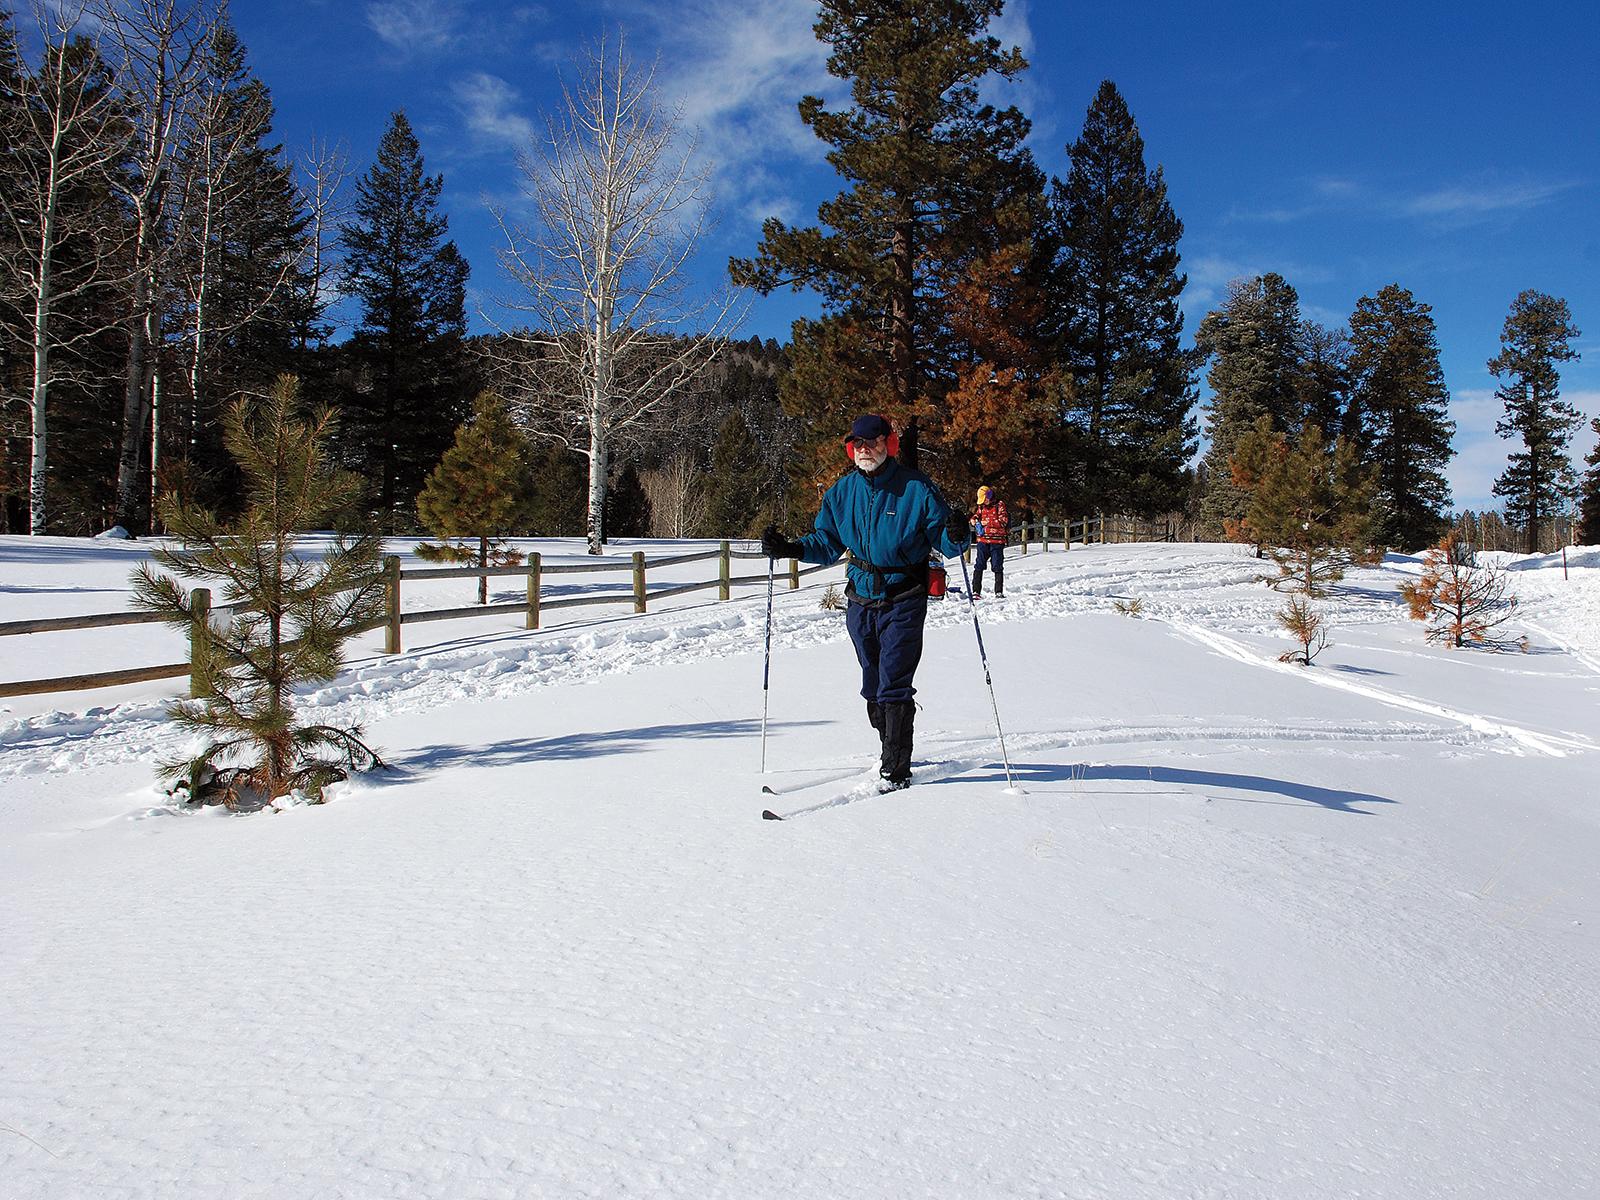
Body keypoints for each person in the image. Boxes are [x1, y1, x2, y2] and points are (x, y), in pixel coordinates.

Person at [762, 414, 970, 791]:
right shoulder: (841, 494)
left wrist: (958, 534)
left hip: (904, 596)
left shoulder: (916, 489)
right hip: (859, 598)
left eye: (872, 442)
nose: (864, 449)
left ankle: (895, 766)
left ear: (888, 444)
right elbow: (825, 542)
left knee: (894, 680)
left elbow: (946, 539)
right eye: (857, 444)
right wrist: (790, 548)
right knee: (872, 685)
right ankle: (888, 740)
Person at [971, 485, 1010, 597]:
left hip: (997, 542)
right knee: (979, 565)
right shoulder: (981, 507)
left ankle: (998, 591)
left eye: (985, 500)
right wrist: (974, 520)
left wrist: (986, 523)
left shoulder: (1000, 505)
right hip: (983, 541)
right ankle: (976, 591)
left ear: (989, 495)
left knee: (997, 565)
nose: (984, 503)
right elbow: (975, 516)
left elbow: (1003, 521)